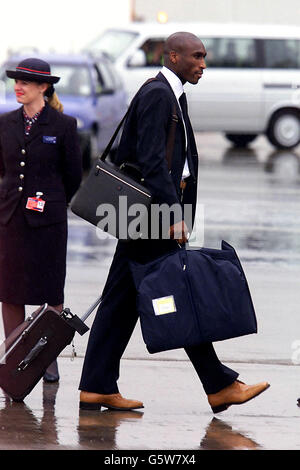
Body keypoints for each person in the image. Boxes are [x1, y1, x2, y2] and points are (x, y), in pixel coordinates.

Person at [78, 32, 269, 413]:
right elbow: (151, 160)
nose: (203, 63)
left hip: (148, 212)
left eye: (204, 57)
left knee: (121, 299)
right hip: (152, 213)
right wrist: (174, 215)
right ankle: (218, 384)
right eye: (196, 56)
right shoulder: (157, 95)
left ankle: (96, 386)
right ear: (173, 56)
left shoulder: (171, 95)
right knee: (181, 288)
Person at [0, 58, 82, 382]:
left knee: (51, 291)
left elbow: (73, 176)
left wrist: (48, 200)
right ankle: (13, 354)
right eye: (16, 81)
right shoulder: (4, 123)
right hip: (10, 219)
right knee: (10, 290)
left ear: (43, 88)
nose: (18, 87)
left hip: (48, 222)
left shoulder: (63, 126)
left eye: (26, 82)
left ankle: (47, 357)